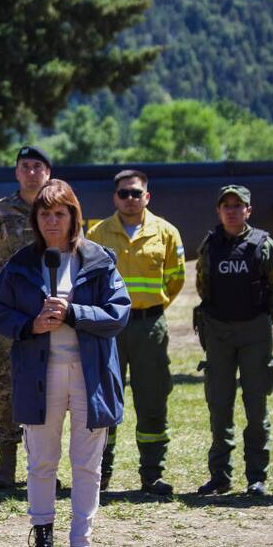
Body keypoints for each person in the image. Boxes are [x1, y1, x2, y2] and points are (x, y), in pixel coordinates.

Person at [0, 179, 129, 547]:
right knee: (41, 462)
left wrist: (73, 314)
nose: (52, 221)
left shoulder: (99, 260)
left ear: (73, 216)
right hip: (39, 374)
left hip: (89, 375)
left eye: (59, 214)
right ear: (36, 219)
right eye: (45, 214)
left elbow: (119, 313)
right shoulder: (22, 263)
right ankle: (42, 543)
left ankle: (81, 546)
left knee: (87, 465)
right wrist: (31, 324)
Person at [85, 169, 185, 494]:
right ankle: (101, 473)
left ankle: (152, 474)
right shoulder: (98, 233)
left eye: (136, 193)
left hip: (148, 326)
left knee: (152, 398)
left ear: (147, 196)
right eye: (124, 193)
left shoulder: (166, 232)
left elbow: (175, 278)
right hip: (108, 328)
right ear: (115, 197)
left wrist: (151, 306)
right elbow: (87, 280)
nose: (130, 199)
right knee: (105, 398)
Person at [192, 185, 273, 497]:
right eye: (226, 206)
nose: (231, 211)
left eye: (238, 205)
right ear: (218, 211)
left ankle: (256, 477)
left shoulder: (263, 244)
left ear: (249, 210)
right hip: (218, 331)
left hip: (254, 332)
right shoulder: (210, 244)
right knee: (219, 405)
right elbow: (203, 284)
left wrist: (262, 319)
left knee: (256, 406)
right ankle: (220, 476)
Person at [0, 145, 52, 488]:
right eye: (25, 166)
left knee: (50, 389)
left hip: (50, 314)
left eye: (38, 166)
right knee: (7, 388)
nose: (31, 172)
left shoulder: (58, 209)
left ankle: (44, 464)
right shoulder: (0, 210)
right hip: (10, 317)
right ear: (16, 172)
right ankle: (6, 462)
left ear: (48, 173)